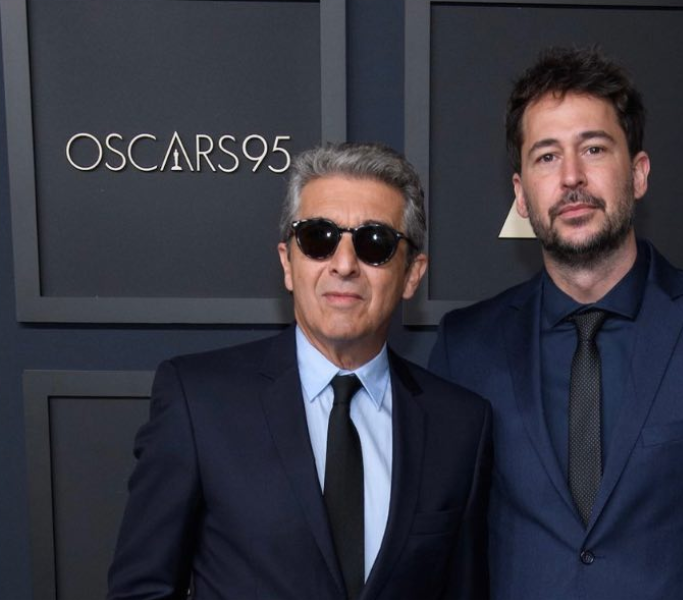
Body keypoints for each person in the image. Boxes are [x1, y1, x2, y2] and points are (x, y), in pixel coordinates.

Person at [429, 46, 683, 599]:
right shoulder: (467, 347)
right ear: (522, 195)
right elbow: (446, 557)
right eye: (547, 156)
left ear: (639, 173)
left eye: (594, 149)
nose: (571, 177)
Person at [108, 142, 492, 600]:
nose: (344, 265)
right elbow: (141, 590)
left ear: (412, 273)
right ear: (288, 263)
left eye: (374, 244)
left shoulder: (460, 425)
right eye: (318, 238)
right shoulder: (199, 402)